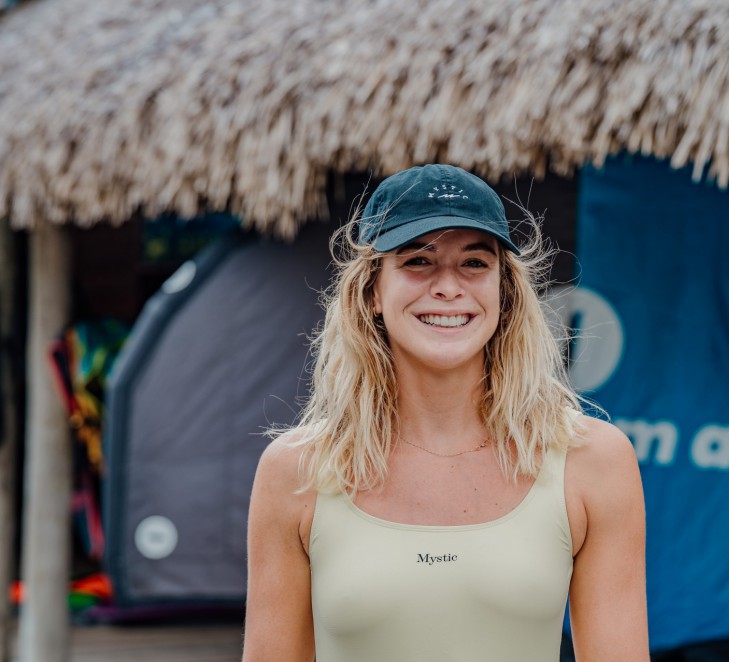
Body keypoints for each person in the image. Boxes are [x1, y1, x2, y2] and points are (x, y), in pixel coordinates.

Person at [242, 164, 648, 662]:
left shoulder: (593, 460)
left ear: (504, 291)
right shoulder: (295, 470)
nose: (448, 288)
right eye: (418, 260)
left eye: (475, 263)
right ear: (372, 291)